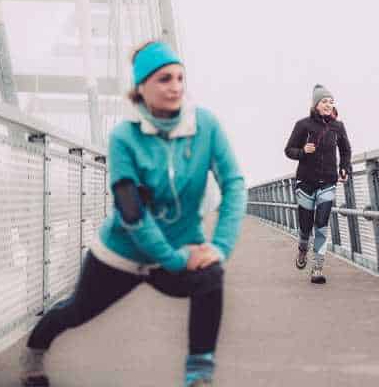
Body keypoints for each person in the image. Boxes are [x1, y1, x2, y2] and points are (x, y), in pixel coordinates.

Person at [19, 40, 246, 387]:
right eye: (164, 79)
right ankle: (35, 348)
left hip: (181, 247)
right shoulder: (124, 138)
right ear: (141, 88)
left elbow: (234, 184)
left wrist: (220, 247)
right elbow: (131, 210)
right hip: (121, 253)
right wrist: (171, 259)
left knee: (210, 273)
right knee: (78, 311)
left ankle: (199, 375)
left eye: (180, 78)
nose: (175, 87)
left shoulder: (206, 126)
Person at [284, 84, 352, 284]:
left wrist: (345, 168)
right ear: (315, 105)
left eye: (331, 101)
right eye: (324, 101)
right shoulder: (303, 125)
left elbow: (346, 151)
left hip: (328, 182)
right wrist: (303, 151)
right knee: (306, 226)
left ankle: (318, 267)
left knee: (321, 223)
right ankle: (303, 247)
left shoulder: (338, 127)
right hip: (305, 182)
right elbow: (289, 150)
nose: (328, 105)